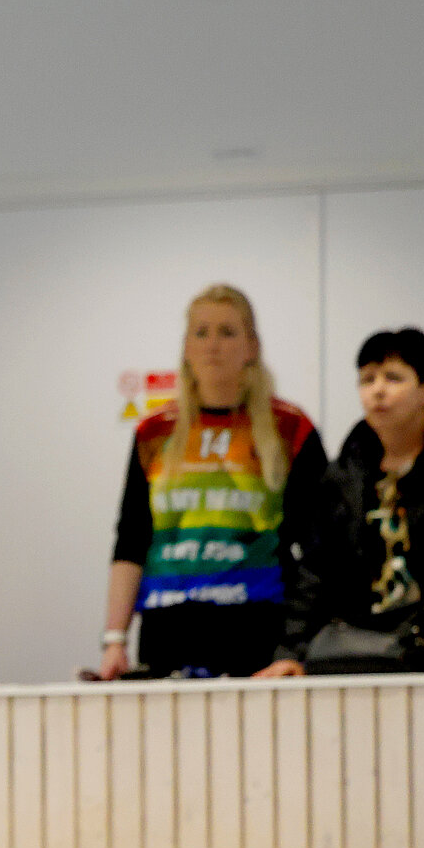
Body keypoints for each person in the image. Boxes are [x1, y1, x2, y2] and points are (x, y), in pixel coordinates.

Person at [257, 329, 424, 678]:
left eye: (394, 378)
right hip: (358, 653)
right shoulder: (343, 474)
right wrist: (291, 653)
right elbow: (315, 571)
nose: (378, 390)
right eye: (367, 379)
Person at [98, 284, 326, 679]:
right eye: (201, 333)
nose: (212, 345)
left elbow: (320, 547)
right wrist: (115, 638)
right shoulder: (155, 432)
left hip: (258, 626)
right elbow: (132, 539)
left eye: (227, 332)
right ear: (186, 347)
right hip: (167, 627)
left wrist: (301, 642)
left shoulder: (290, 428)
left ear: (252, 346)